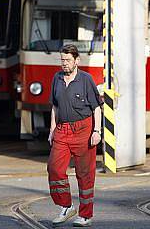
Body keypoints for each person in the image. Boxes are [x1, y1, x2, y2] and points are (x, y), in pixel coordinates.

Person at [47, 44, 102, 227]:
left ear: (77, 61)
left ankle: (85, 215)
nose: (64, 64)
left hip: (83, 130)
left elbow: (96, 107)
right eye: (62, 60)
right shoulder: (57, 78)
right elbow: (54, 106)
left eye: (68, 60)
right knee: (54, 168)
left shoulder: (86, 79)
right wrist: (52, 129)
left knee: (85, 174)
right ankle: (66, 205)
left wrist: (97, 131)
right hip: (62, 130)